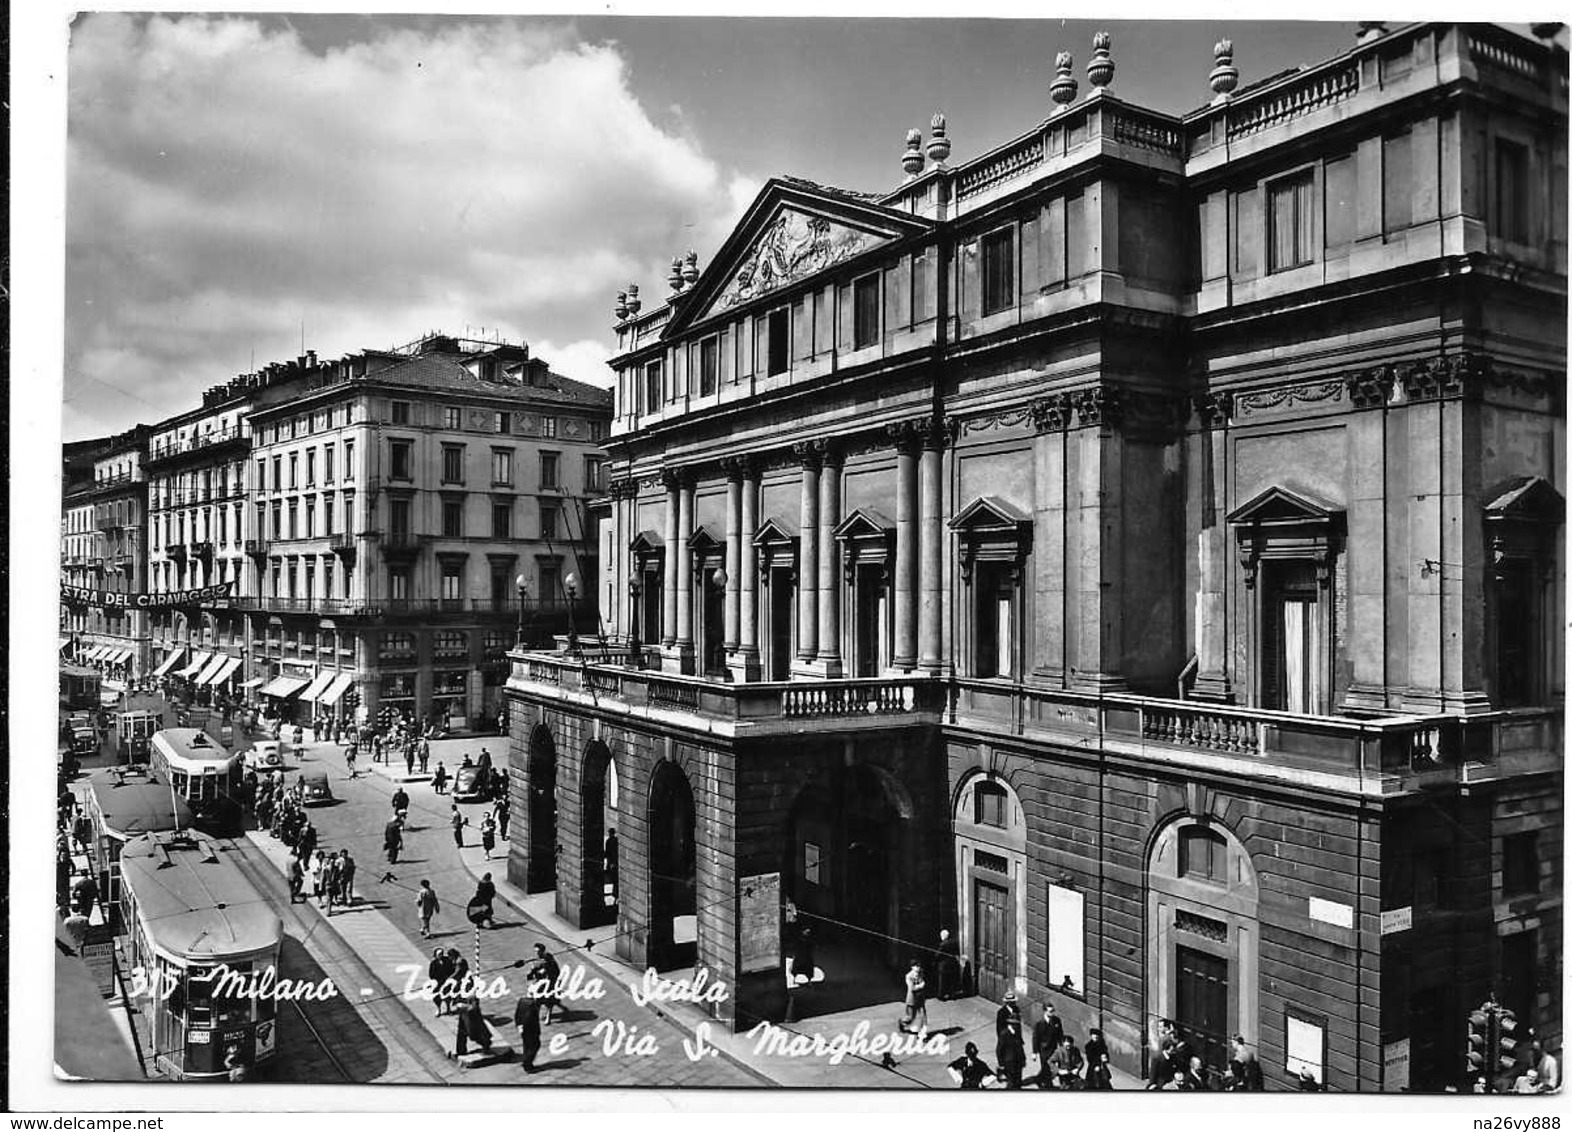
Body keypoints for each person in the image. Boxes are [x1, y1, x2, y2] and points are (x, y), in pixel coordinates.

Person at [783, 926, 817, 1024]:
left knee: (804, 968)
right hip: (802, 957)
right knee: (801, 967)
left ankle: (806, 980)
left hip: (804, 958)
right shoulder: (801, 941)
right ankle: (805, 979)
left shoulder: (804, 941)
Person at [995, 991, 1026, 1089]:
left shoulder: (1016, 1009)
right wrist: (1003, 1038)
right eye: (1010, 1002)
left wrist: (1020, 1038)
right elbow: (999, 1028)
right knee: (1010, 1071)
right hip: (1006, 1038)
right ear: (1006, 1002)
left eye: (1013, 1001)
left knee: (1017, 1074)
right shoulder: (1001, 1012)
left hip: (1016, 1039)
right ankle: (1002, 1070)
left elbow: (1019, 1026)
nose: (1012, 1003)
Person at [452, 993, 494, 1060]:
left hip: (471, 1014)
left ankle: (486, 1044)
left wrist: (464, 1006)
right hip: (464, 1011)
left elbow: (473, 1006)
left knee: (475, 1032)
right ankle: (461, 1050)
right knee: (461, 1031)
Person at [1032, 1001, 1065, 1086]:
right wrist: (1034, 1052)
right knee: (1045, 1065)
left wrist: (1062, 1045)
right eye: (1050, 1011)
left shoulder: (1056, 1020)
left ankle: (1042, 1080)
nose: (1052, 1013)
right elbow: (1035, 1038)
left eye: (1053, 1011)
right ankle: (1047, 1084)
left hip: (1053, 1047)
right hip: (1043, 1049)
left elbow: (1060, 1034)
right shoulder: (1039, 1023)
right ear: (1045, 1011)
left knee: (1051, 1065)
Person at [530, 942, 562, 1022]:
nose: (537, 953)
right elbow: (533, 970)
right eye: (535, 951)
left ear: (542, 951)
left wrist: (546, 971)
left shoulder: (549, 959)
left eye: (538, 951)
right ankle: (536, 1015)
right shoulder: (536, 960)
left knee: (549, 1000)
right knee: (537, 1000)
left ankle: (548, 1016)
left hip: (549, 982)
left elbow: (556, 970)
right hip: (539, 983)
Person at [899, 958, 929, 1040]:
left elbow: (922, 979)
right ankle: (902, 1022)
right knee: (911, 1018)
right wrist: (921, 985)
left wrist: (923, 983)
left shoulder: (921, 972)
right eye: (916, 966)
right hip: (912, 998)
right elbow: (912, 988)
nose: (918, 968)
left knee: (923, 1015)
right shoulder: (908, 976)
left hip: (921, 998)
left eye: (919, 966)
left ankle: (922, 1034)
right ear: (912, 967)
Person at [515, 989, 543, 1073]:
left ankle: (526, 1062)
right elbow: (529, 1018)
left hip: (523, 1028)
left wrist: (519, 1025)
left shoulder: (522, 1000)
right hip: (531, 1029)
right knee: (535, 1045)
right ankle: (527, 1063)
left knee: (526, 1046)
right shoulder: (533, 1004)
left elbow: (517, 1014)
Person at [935, 928, 961, 1000]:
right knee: (951, 980)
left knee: (942, 981)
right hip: (952, 963)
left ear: (943, 936)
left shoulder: (943, 944)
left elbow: (938, 955)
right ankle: (952, 995)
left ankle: (941, 996)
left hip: (944, 965)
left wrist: (935, 958)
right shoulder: (954, 942)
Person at [429, 947, 455, 1016]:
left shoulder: (447, 960)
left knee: (448, 996)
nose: (441, 955)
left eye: (442, 953)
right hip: (438, 983)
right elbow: (431, 974)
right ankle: (438, 1009)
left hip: (446, 982)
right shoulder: (433, 963)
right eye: (439, 954)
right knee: (437, 997)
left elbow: (452, 969)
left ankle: (448, 1009)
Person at [603, 828, 618, 898]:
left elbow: (608, 853)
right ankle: (615, 893)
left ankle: (615, 893)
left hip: (612, 862)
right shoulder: (616, 840)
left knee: (614, 878)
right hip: (615, 862)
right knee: (615, 879)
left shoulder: (609, 841)